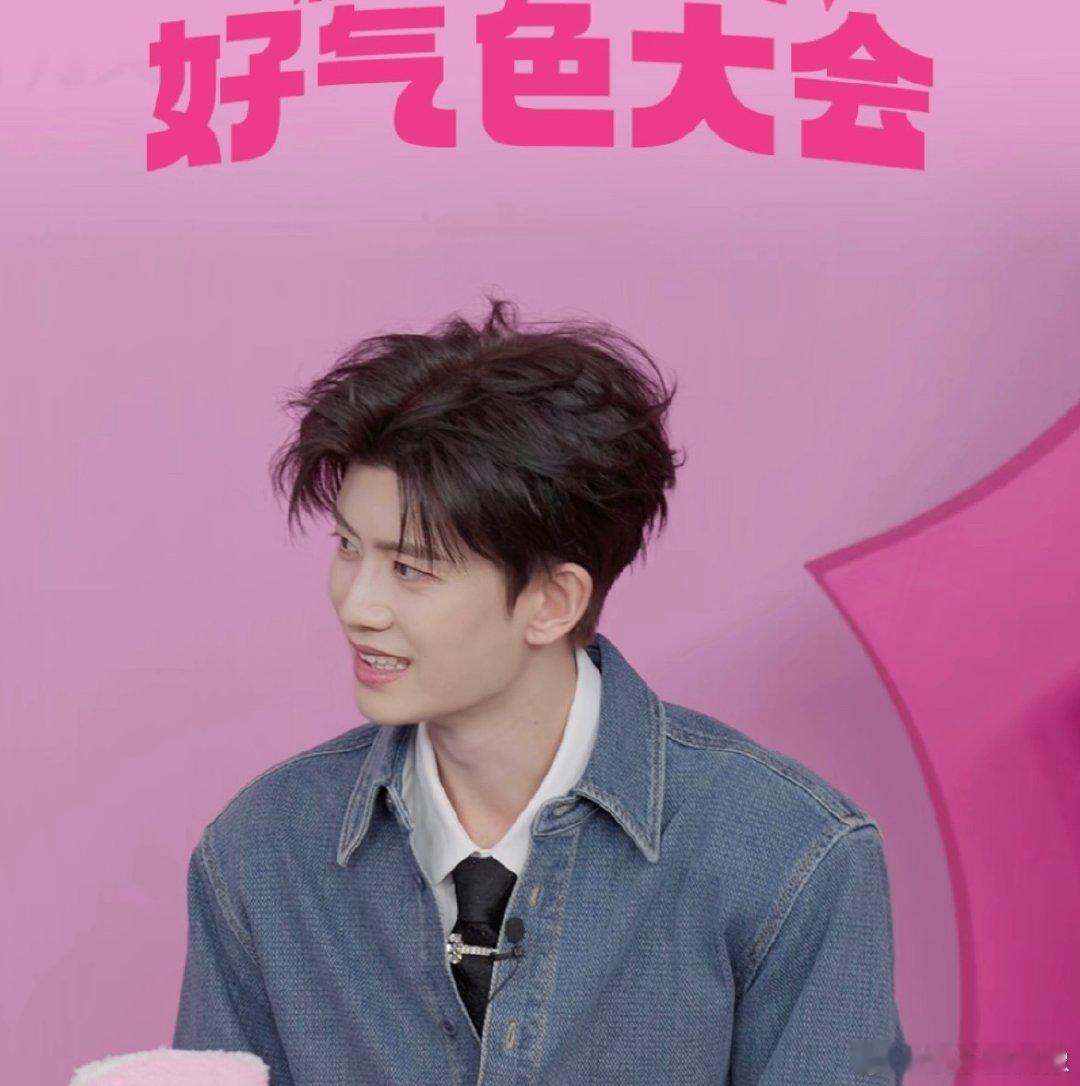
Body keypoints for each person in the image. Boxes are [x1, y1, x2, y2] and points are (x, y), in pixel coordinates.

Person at [172, 297, 911, 1084]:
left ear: (553, 601)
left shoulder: (790, 857)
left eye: (411, 568)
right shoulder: (263, 852)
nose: (357, 604)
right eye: (349, 547)